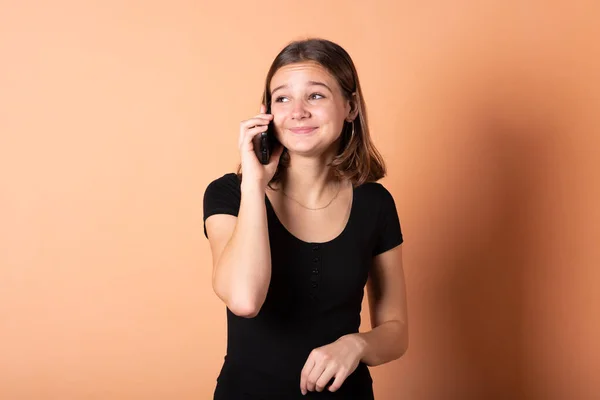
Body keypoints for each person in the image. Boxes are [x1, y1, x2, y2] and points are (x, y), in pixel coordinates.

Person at [203, 38, 408, 399]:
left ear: (350, 107)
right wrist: (254, 183)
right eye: (282, 98)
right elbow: (245, 300)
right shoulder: (229, 195)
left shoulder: (375, 203)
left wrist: (355, 345)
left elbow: (396, 331)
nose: (297, 112)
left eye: (315, 96)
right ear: (266, 112)